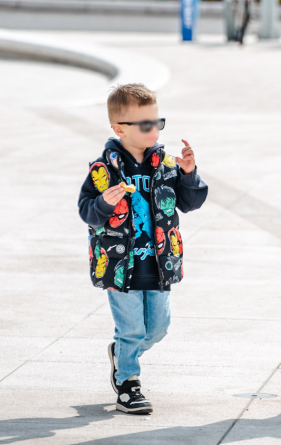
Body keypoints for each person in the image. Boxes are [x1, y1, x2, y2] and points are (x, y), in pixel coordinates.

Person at [77, 83, 208, 414]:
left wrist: (189, 175)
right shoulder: (103, 169)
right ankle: (128, 384)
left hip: (160, 262)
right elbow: (86, 211)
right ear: (119, 128)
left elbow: (189, 202)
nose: (154, 130)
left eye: (157, 122)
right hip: (120, 265)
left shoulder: (164, 163)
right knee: (132, 328)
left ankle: (122, 352)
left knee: (158, 329)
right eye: (145, 124)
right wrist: (103, 205)